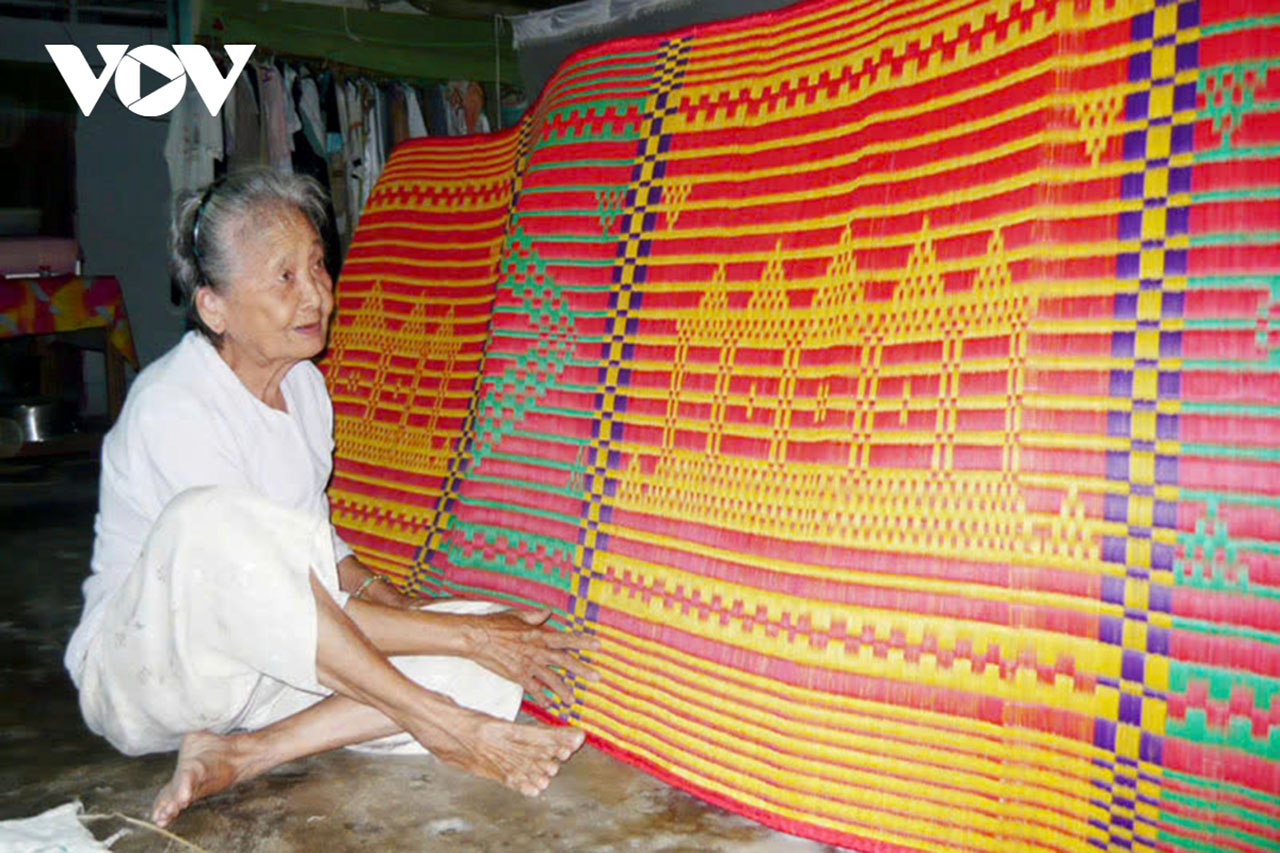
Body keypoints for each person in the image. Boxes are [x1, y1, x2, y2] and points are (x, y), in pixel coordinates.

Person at [63, 168, 594, 829]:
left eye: (317, 265)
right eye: (284, 277)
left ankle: (247, 752)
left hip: (259, 673)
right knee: (210, 521)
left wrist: (407, 607)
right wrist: (466, 636)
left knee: (488, 660)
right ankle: (440, 722)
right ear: (214, 308)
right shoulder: (173, 406)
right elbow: (271, 593)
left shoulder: (305, 387)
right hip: (151, 674)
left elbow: (314, 548)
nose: (315, 293)